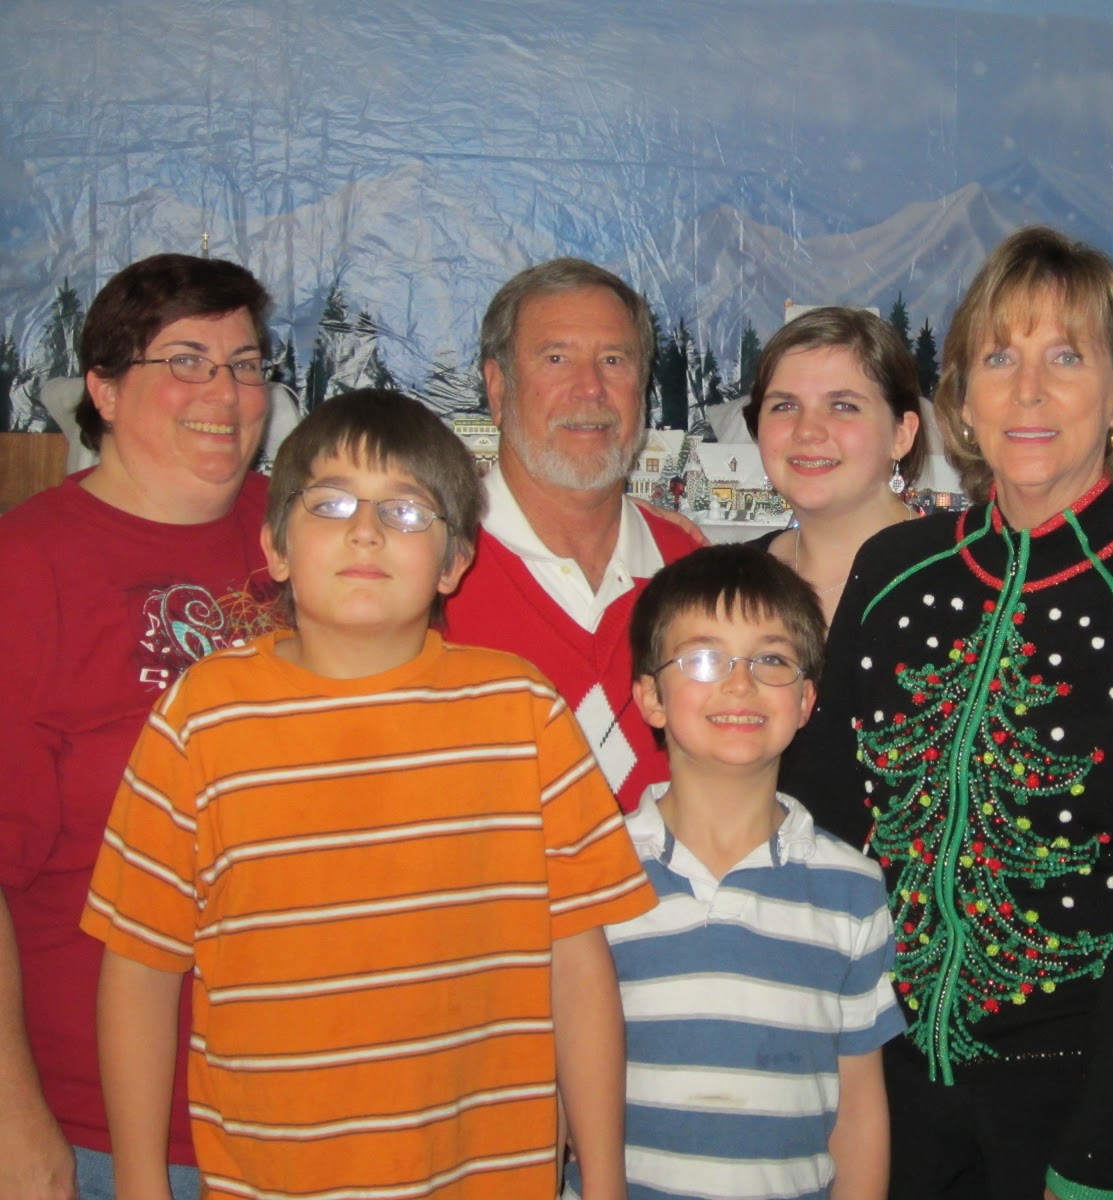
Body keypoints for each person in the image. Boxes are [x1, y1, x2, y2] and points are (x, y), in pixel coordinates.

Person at [80, 390, 654, 1199]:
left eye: (406, 511)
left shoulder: (521, 711)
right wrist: (141, 1183)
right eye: (331, 504)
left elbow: (578, 965)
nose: (366, 531)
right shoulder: (201, 718)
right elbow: (140, 967)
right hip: (270, 1179)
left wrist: (604, 1181)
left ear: (455, 562)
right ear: (276, 546)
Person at [785, 226, 1113, 1200]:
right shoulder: (894, 570)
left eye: (1065, 358)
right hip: (888, 1091)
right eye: (998, 358)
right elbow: (820, 821)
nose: (1027, 392)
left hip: (1091, 1098)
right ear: (962, 401)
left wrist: (1099, 1148)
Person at [0, 253, 279, 1200]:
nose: (225, 393)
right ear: (105, 389)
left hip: (296, 1113)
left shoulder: (307, 533)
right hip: (99, 1132)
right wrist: (13, 1115)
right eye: (186, 361)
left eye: (245, 364)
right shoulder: (27, 565)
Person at [573, 544, 902, 1199]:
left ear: (806, 700)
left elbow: (860, 1107)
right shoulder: (593, 874)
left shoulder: (852, 889)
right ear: (650, 696)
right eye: (703, 658)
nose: (740, 684)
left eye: (771, 660)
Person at [447, 259, 702, 813]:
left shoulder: (694, 571)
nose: (590, 389)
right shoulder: (427, 574)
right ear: (498, 388)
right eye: (556, 358)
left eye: (614, 360)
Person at [742, 307, 925, 624]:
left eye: (843, 406)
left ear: (901, 434)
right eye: (784, 405)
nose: (807, 430)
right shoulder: (731, 582)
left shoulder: (963, 576)